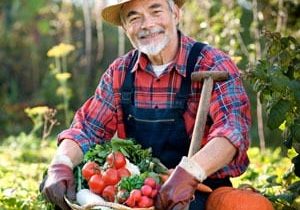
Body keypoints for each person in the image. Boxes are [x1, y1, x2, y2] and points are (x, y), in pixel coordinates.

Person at [41, 0, 251, 209]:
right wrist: (61, 164)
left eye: (155, 11)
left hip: (198, 187)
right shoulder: (120, 72)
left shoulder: (212, 64)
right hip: (139, 192)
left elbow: (232, 131)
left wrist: (190, 173)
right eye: (134, 17)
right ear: (125, 28)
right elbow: (87, 129)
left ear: (175, 14)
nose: (146, 24)